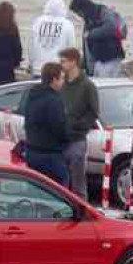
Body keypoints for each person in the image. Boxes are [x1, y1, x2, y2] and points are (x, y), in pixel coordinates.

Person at [19, 62, 70, 185]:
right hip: (50, 155)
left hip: (32, 151)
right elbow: (59, 128)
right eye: (62, 78)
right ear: (54, 80)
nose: (64, 82)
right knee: (60, 189)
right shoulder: (54, 101)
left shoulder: (32, 95)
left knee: (37, 189)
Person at [59, 48, 99, 199]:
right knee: (61, 183)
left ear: (73, 61)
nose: (61, 65)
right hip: (60, 139)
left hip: (77, 140)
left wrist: (78, 126)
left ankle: (83, 213)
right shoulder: (62, 84)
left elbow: (94, 112)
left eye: (63, 61)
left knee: (78, 184)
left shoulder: (87, 85)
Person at [69, 0, 126, 77]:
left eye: (78, 12)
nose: (79, 15)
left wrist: (91, 34)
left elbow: (111, 27)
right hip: (98, 62)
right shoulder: (88, 19)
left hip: (110, 59)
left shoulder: (103, 12)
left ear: (83, 8)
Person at [28, 0, 76, 78]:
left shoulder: (37, 22)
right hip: (58, 72)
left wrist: (32, 64)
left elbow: (31, 46)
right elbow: (71, 49)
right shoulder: (67, 24)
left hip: (38, 69)